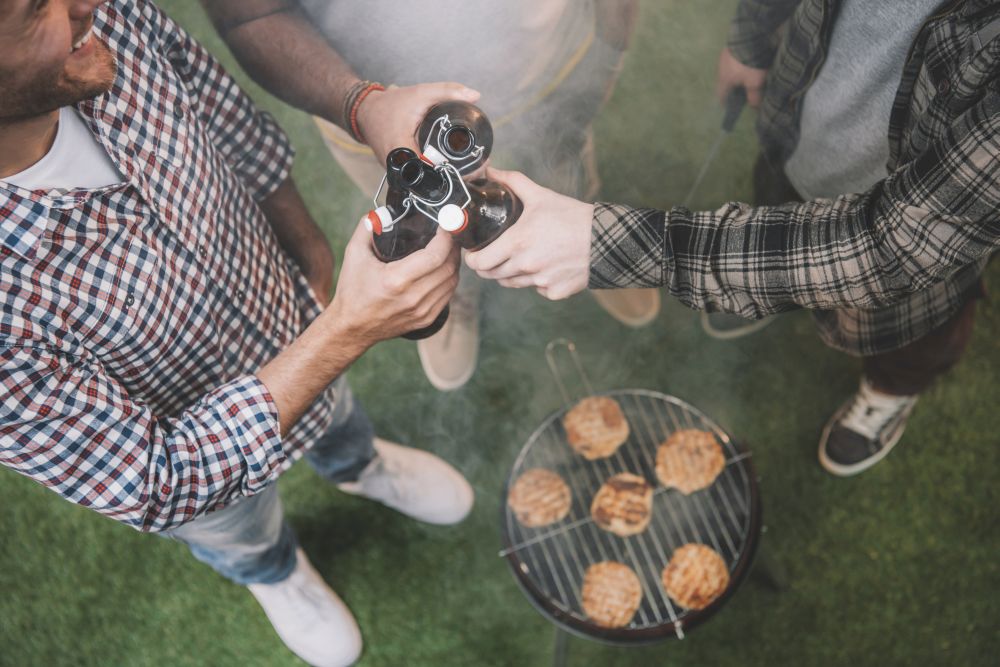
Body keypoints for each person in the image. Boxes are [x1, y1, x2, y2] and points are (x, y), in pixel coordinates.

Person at [0, 1, 474, 666]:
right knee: (240, 529)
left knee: (337, 414)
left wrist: (307, 243)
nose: (86, 3)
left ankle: (360, 466)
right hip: (198, 456)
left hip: (280, 308)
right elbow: (158, 478)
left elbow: (227, 118)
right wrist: (344, 329)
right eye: (30, 12)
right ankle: (277, 572)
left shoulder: (103, 26)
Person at [464, 0, 999, 476]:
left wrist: (604, 245)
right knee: (777, 201)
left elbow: (895, 247)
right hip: (804, 127)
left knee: (912, 334)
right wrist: (752, 35)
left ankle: (891, 390)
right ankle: (766, 289)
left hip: (912, 249)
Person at [200, 0, 661, 393]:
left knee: (568, 161)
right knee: (421, 228)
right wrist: (360, 106)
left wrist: (609, 47)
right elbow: (248, 13)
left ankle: (589, 228)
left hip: (550, 61)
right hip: (382, 111)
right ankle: (455, 295)